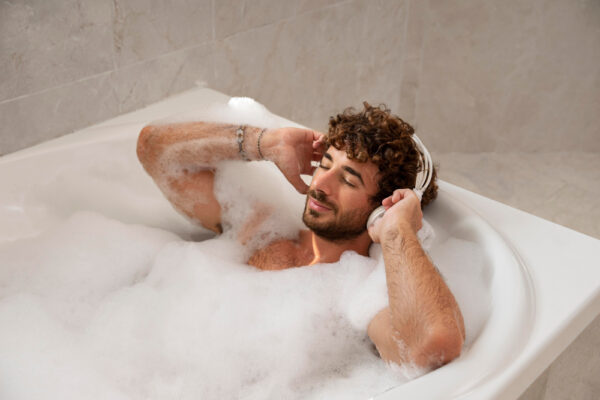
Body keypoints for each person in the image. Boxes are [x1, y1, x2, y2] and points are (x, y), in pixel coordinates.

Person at [136, 102, 465, 371]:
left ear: (382, 207)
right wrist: (264, 143)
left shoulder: (361, 294)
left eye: (348, 181)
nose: (319, 185)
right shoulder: (262, 228)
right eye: (325, 164)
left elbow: (432, 348)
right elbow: (152, 149)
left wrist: (397, 231)